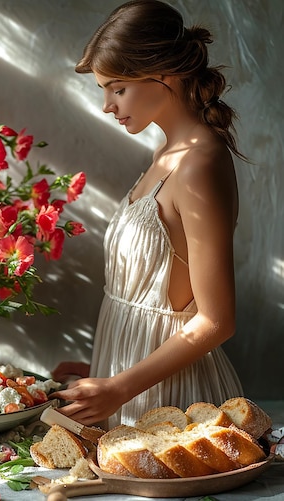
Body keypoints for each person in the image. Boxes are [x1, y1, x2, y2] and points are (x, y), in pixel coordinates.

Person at [50, 0, 245, 430]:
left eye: (117, 88)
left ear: (165, 74)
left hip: (170, 404)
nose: (107, 105)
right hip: (127, 385)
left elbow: (217, 321)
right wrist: (101, 366)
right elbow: (150, 295)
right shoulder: (166, 154)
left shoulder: (199, 163)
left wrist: (119, 386)